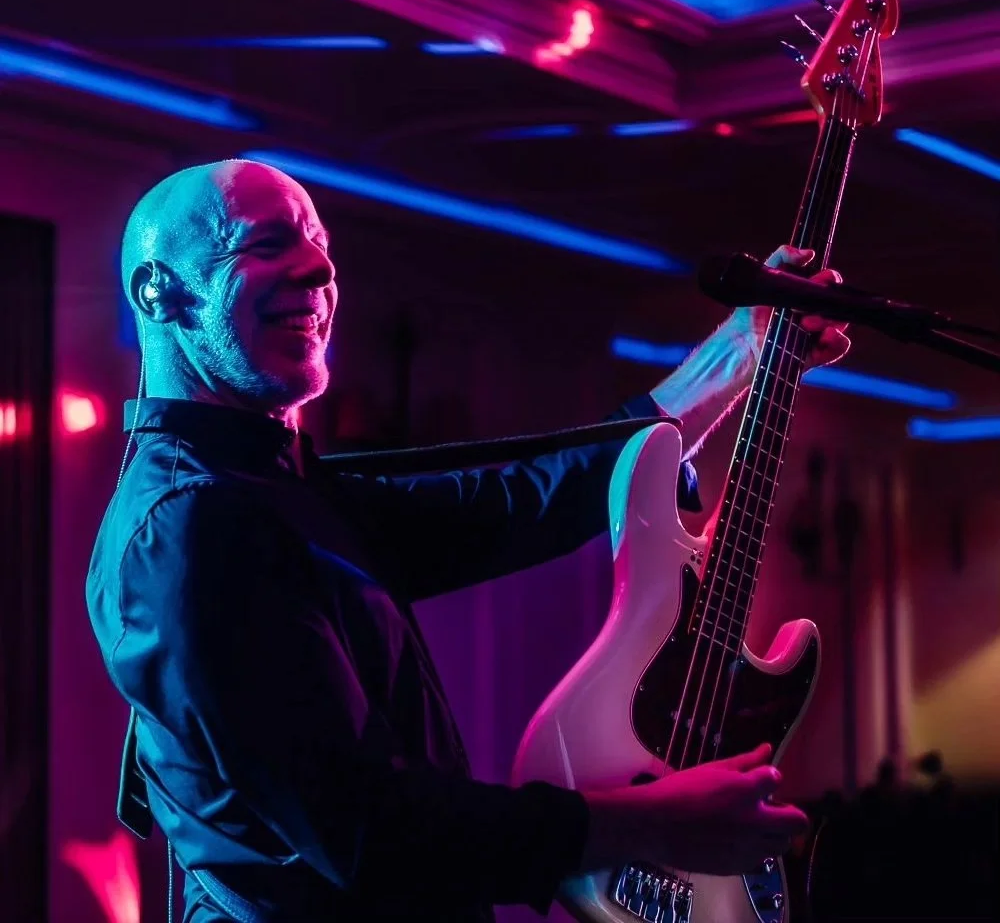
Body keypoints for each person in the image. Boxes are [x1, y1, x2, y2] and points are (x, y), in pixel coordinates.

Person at [86, 160, 850, 922]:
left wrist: (741, 352)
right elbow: (371, 830)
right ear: (159, 292)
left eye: (319, 242)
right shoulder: (195, 522)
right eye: (267, 244)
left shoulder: (269, 489)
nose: (319, 268)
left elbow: (516, 504)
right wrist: (656, 822)